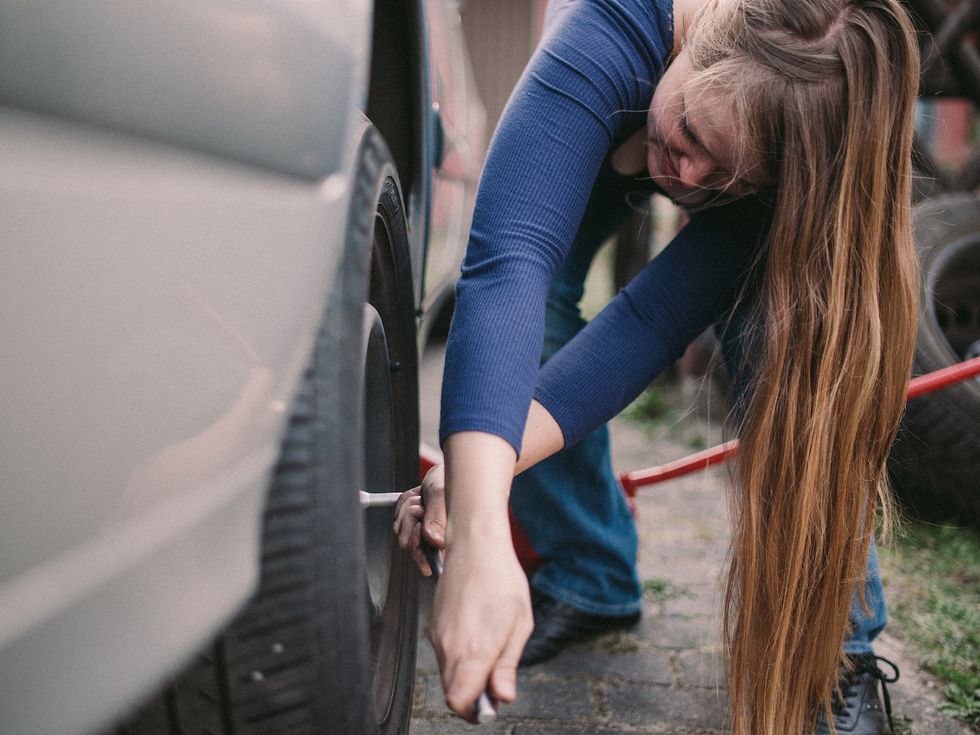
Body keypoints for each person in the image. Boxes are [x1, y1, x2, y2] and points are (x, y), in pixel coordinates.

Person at [395, 0, 919, 732]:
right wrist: (481, 522)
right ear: (700, 43)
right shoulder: (607, 34)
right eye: (694, 135)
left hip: (744, 148)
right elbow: (507, 266)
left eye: (730, 179)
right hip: (604, 113)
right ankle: (589, 569)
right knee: (532, 311)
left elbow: (648, 323)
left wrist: (481, 466)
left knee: (788, 339)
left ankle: (838, 648)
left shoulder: (784, 147)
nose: (690, 179)